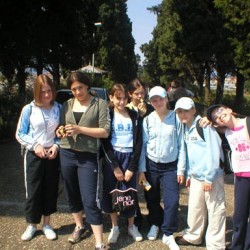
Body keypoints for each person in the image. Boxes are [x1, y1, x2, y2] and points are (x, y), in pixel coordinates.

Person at [56, 71, 110, 250]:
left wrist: (80, 129)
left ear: (87, 86)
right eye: (73, 89)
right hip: (67, 153)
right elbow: (61, 126)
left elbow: (104, 131)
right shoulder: (67, 104)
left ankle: (99, 242)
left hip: (88, 156)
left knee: (90, 198)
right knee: (72, 193)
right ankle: (79, 226)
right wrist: (60, 131)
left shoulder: (100, 104)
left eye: (80, 87)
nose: (77, 92)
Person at [174, 97, 226, 250]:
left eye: (186, 111)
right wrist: (189, 174)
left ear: (194, 110)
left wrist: (209, 178)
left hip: (212, 177)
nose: (183, 114)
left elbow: (214, 152)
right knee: (195, 208)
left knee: (215, 210)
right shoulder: (186, 127)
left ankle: (215, 245)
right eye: (180, 111)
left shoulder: (204, 126)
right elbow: (190, 153)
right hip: (196, 176)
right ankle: (193, 236)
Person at [138, 86, 186, 250]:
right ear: (150, 102)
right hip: (150, 167)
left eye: (160, 98)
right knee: (150, 196)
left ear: (167, 98)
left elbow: (182, 146)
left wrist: (181, 170)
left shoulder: (176, 118)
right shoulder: (147, 120)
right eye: (154, 100)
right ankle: (154, 223)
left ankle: (168, 232)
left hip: (170, 168)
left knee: (172, 201)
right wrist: (141, 171)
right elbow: (143, 146)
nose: (158, 102)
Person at [16, 74, 61, 241]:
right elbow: (20, 133)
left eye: (49, 91)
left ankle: (47, 224)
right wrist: (36, 145)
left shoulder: (58, 108)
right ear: (37, 92)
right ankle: (32, 225)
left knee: (50, 189)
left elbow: (61, 132)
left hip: (52, 155)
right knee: (33, 191)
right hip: (34, 155)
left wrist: (56, 146)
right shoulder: (29, 109)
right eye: (43, 92)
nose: (47, 95)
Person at [101, 83, 143, 244]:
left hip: (130, 157)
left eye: (124, 98)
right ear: (111, 98)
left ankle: (132, 226)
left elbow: (138, 142)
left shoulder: (134, 115)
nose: (121, 102)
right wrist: (115, 166)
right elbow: (104, 142)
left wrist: (132, 167)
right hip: (113, 158)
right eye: (118, 98)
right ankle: (115, 226)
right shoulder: (108, 114)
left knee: (130, 192)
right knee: (111, 191)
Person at [206, 104, 250, 250]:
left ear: (229, 109)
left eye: (220, 112)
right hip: (241, 177)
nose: (219, 116)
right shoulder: (226, 132)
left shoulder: (247, 123)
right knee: (239, 215)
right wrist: (206, 121)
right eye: (215, 118)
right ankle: (236, 246)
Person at [127, 78, 154, 228]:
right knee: (131, 188)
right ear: (130, 94)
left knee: (147, 186)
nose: (140, 96)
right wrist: (138, 115)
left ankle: (153, 214)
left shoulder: (150, 108)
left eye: (143, 93)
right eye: (137, 93)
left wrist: (144, 113)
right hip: (130, 156)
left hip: (146, 156)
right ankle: (135, 215)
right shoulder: (125, 108)